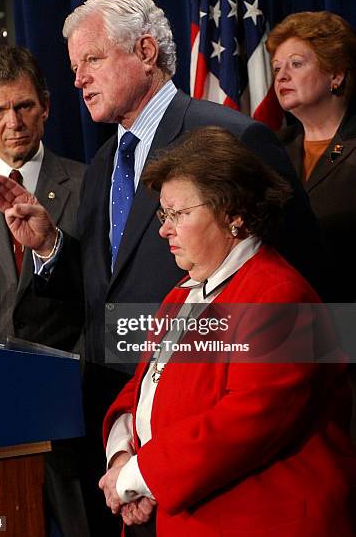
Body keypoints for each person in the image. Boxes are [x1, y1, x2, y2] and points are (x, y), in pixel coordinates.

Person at [0, 0, 325, 534]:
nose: (78, 80)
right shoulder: (102, 165)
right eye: (74, 68)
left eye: (92, 60)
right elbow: (107, 294)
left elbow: (309, 308)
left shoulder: (232, 139)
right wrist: (51, 246)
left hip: (230, 472)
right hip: (122, 441)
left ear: (145, 52)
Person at [99, 127, 356, 536]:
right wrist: (120, 457)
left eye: (179, 214)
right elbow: (143, 388)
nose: (164, 229)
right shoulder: (181, 296)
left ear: (233, 214)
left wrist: (138, 477)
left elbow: (245, 424)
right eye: (164, 215)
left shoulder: (282, 297)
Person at [0, 45, 89, 537]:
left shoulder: (90, 185)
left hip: (77, 416)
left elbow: (100, 297)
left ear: (46, 105)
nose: (14, 121)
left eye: (24, 105)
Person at [266, 10, 356, 302]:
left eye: (296, 64)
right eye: (277, 68)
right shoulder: (271, 150)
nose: (282, 76)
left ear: (336, 74)